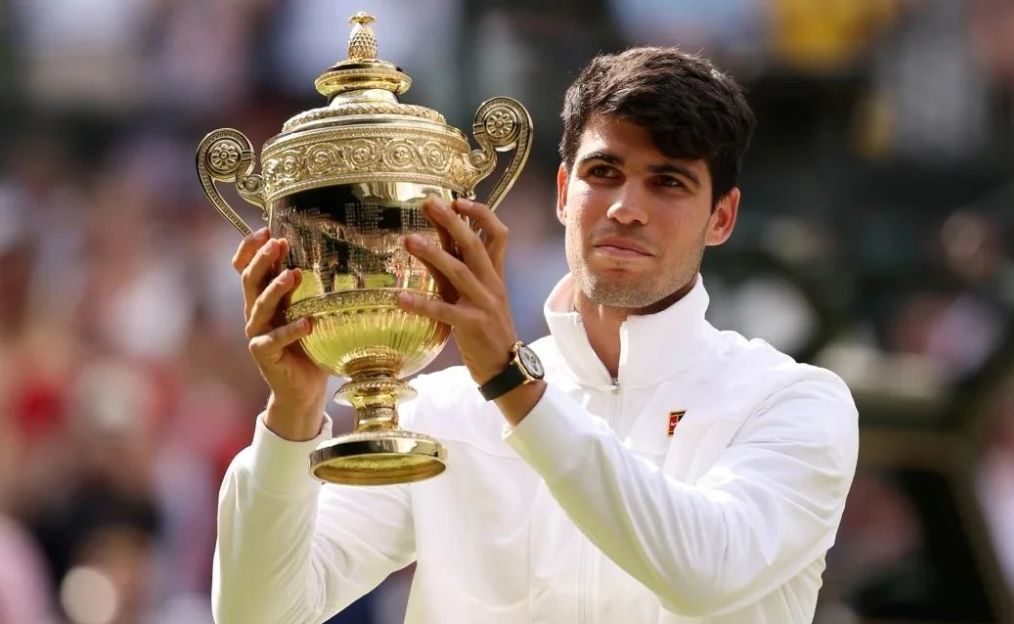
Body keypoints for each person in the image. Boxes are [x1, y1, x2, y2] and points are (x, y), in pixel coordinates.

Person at [213, 47, 859, 623]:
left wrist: (510, 382)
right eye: (603, 173)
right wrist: (291, 417)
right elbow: (258, 615)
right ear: (561, 192)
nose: (625, 208)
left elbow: (705, 573)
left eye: (667, 182)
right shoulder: (442, 415)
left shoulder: (794, 403)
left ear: (722, 217)